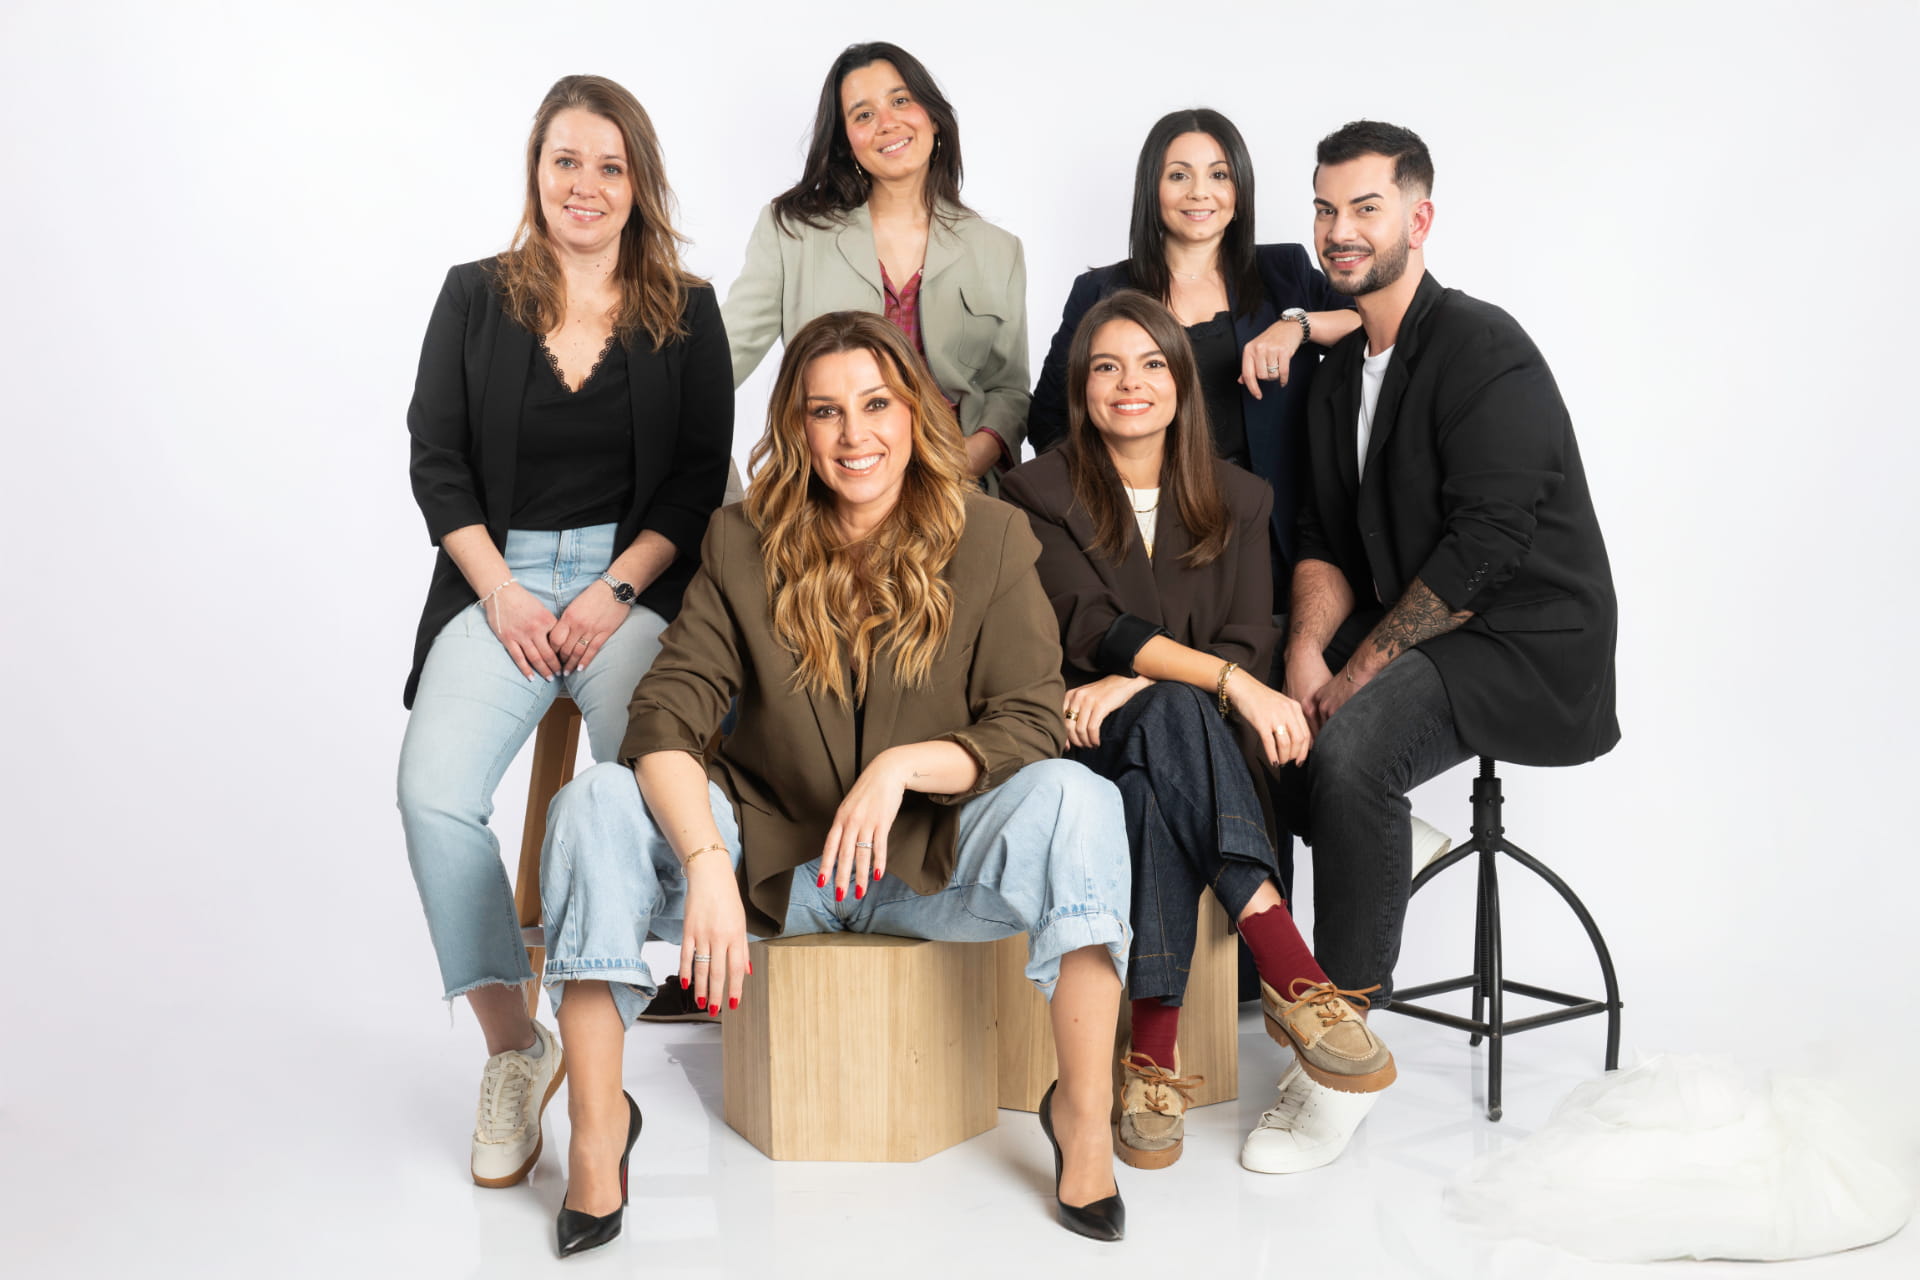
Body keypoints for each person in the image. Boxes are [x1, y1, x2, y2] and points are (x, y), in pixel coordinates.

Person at [537, 312, 1133, 1256]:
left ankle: (1085, 1120)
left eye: (876, 405)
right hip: (776, 873)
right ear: (797, 428)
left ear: (915, 414)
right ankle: (598, 1127)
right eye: (826, 412)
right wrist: (707, 863)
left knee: (1082, 798)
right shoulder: (741, 541)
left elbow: (1027, 718)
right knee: (593, 801)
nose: (855, 435)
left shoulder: (993, 536)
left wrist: (901, 769)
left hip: (932, 870)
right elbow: (664, 716)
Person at [1259, 120, 1619, 1173]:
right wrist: (1307, 654)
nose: (1340, 229)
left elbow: (1486, 548)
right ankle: (1386, 837)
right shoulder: (1337, 372)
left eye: (1365, 208)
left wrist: (1355, 679)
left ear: (1418, 219)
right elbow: (1323, 537)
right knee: (1265, 722)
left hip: (1529, 632)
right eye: (1325, 208)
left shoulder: (1481, 346)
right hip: (1421, 623)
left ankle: (1337, 1062)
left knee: (1353, 752)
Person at [396, 74, 732, 1190]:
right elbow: (437, 460)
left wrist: (616, 590)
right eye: (565, 161)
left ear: (640, 183)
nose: (585, 185)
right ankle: (516, 1045)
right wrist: (500, 591)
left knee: (650, 799)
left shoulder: (688, 310)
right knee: (432, 794)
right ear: (536, 171)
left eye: (609, 166)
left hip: (630, 583)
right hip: (497, 584)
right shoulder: (472, 296)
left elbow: (695, 482)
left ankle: (601, 1061)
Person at [1002, 291, 1395, 1172]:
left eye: (1151, 364)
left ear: (1181, 382)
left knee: (1164, 753)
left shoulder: (1240, 498)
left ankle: (1152, 1060)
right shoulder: (1035, 491)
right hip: (1082, 739)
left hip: (1189, 743)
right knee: (1169, 722)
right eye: (1107, 367)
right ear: (1081, 387)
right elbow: (1085, 625)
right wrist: (1208, 680)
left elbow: (1250, 637)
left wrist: (1147, 678)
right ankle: (1294, 976)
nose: (1129, 383)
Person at [1026, 108, 1359, 599]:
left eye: (1218, 175)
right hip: (1147, 537)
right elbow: (1050, 421)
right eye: (1179, 175)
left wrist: (1298, 325)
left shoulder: (1284, 270)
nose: (1200, 192)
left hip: (1274, 530)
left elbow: (1374, 324)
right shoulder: (1100, 291)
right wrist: (1115, 503)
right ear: (1152, 189)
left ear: (1239, 189)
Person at [722, 41, 1029, 488]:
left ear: (934, 117)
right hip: (829, 481)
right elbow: (720, 363)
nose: (887, 123)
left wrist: (970, 459)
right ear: (846, 142)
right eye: (863, 114)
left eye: (901, 101)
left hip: (953, 484)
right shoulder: (791, 232)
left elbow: (1009, 389)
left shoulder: (998, 249)